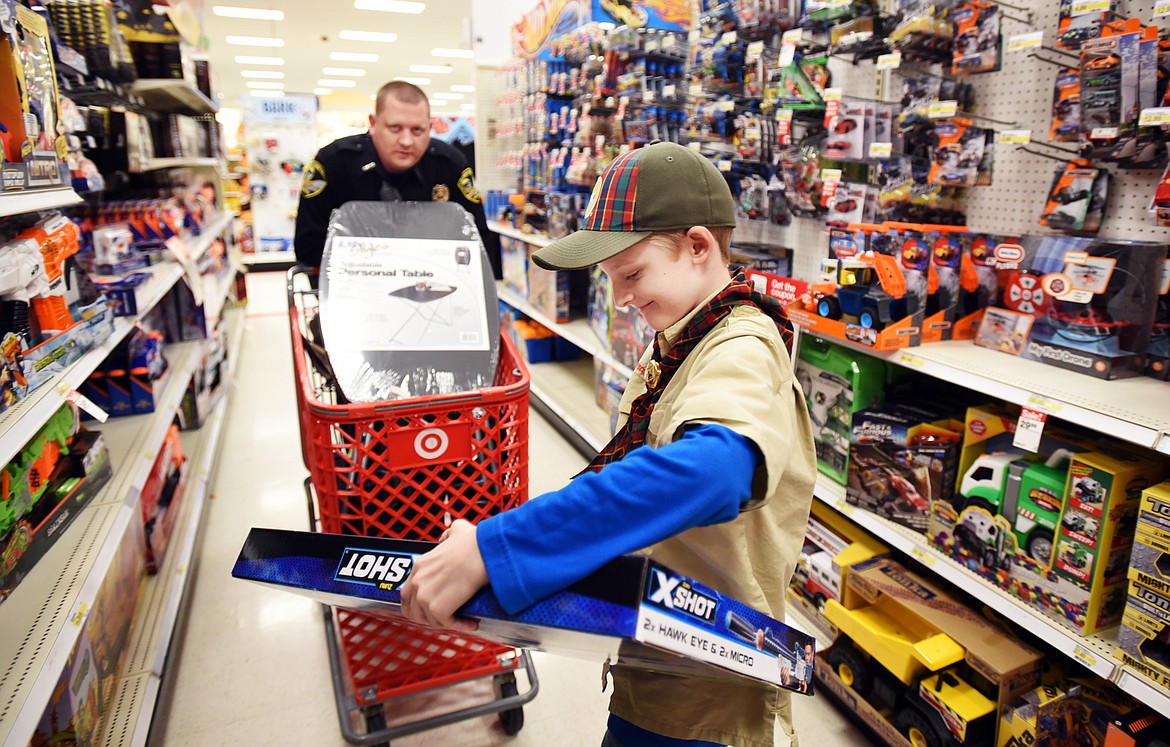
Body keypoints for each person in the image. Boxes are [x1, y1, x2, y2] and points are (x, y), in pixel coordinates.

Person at [400, 140, 817, 747]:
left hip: (706, 680)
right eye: (611, 277)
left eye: (632, 273)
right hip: (654, 650)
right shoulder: (680, 336)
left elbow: (717, 469)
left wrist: (503, 548)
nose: (620, 297)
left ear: (699, 246)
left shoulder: (740, 347)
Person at [293, 80, 502, 277]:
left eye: (417, 130)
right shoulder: (333, 164)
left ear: (430, 127)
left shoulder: (450, 165)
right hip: (353, 288)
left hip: (433, 283)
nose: (406, 140)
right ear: (373, 123)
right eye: (395, 128)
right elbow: (308, 246)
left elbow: (478, 240)